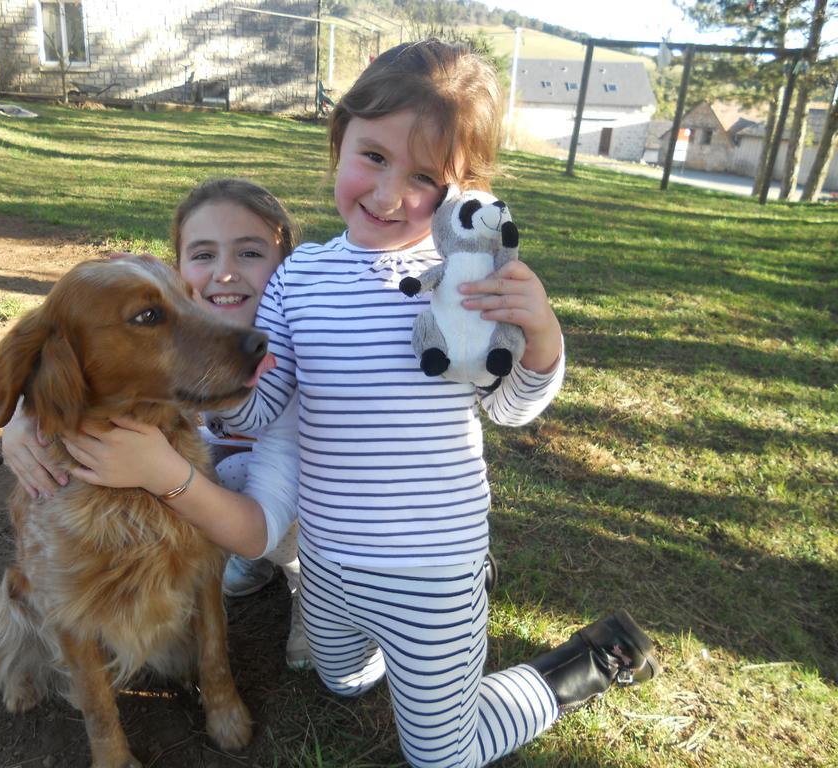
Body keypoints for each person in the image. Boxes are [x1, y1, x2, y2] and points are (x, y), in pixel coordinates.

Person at [63, 40, 659, 767]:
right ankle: (410, 647)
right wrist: (212, 379)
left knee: (444, 754)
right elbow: (257, 414)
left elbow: (511, 408)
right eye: (372, 158)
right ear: (339, 138)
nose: (387, 196)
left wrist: (541, 335)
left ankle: (580, 667)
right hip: (329, 565)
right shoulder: (300, 278)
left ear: (463, 188)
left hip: (431, 566)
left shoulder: (466, 281)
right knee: (341, 679)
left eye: (423, 178)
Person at [0, 177, 313, 670]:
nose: (225, 274)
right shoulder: (187, 338)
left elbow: (258, 524)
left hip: (313, 501)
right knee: (225, 474)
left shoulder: (305, 353)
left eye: (250, 254)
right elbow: (82, 352)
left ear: (286, 267)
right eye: (204, 255)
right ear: (177, 272)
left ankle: (311, 584)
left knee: (249, 493)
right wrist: (21, 416)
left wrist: (161, 473)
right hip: (240, 475)